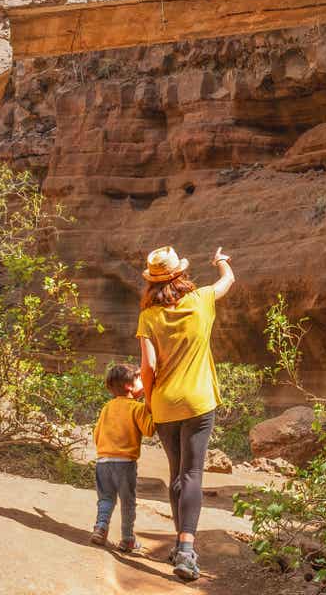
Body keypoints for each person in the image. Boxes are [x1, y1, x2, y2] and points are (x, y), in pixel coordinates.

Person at [136, 245, 235, 582]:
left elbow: (147, 366)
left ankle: (181, 546)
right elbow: (228, 281)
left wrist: (149, 401)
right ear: (181, 274)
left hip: (164, 403)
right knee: (192, 473)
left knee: (176, 474)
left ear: (152, 282)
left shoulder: (148, 316)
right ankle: (187, 550)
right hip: (198, 402)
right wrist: (220, 261)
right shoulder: (201, 300)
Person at [90, 362, 154, 554]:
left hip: (103, 462)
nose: (144, 382)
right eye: (140, 379)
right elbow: (149, 430)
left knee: (106, 499)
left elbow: (96, 434)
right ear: (129, 386)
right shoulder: (136, 408)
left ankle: (100, 528)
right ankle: (127, 539)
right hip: (125, 464)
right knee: (127, 501)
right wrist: (151, 405)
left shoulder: (107, 408)